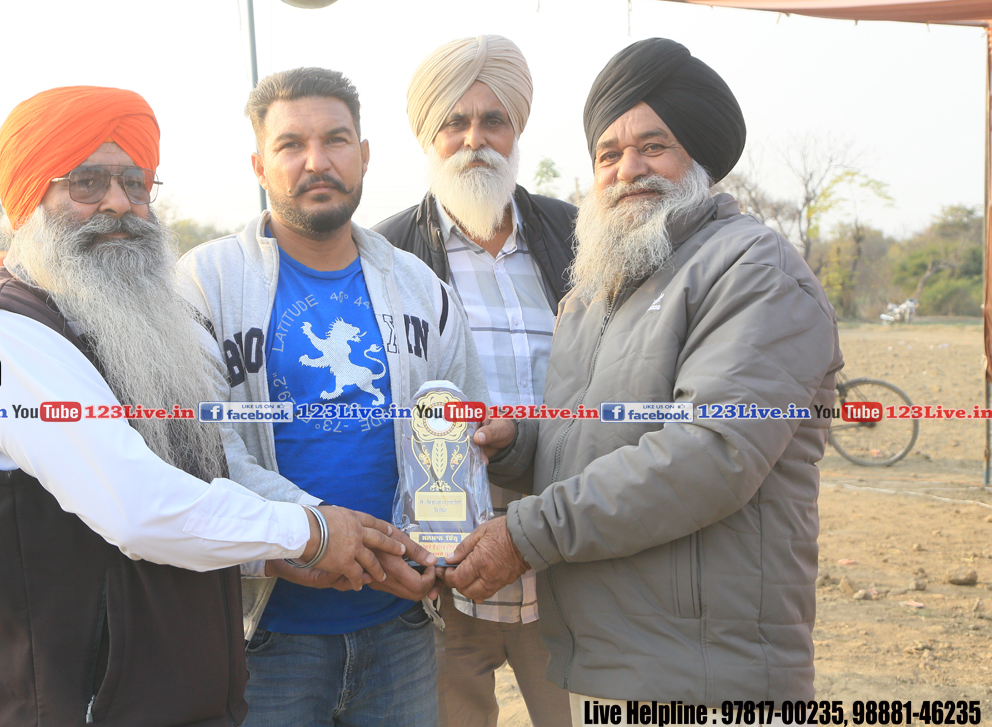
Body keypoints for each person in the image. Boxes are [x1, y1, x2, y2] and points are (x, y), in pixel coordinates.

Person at [0, 85, 420, 727]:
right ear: (27, 199)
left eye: (135, 183)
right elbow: (138, 508)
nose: (117, 203)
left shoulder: (141, 323)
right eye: (86, 183)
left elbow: (202, 478)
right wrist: (308, 532)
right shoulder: (0, 336)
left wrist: (272, 551)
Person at [443, 38, 844, 713]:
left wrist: (526, 532)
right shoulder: (595, 293)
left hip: (707, 671)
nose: (628, 170)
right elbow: (594, 436)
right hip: (612, 660)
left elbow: (712, 453)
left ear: (699, 157)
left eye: (653, 147)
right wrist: (517, 445)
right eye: (608, 155)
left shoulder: (753, 270)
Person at [179, 67, 488, 727]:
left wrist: (434, 550)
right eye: (291, 145)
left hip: (400, 628)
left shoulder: (421, 289)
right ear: (260, 165)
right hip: (267, 640)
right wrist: (313, 530)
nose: (316, 162)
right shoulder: (207, 282)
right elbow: (199, 447)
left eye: (336, 140)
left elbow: (458, 435)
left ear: (365, 154)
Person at [374, 35, 573, 727]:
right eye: (453, 123)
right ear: (427, 138)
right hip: (444, 571)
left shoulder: (576, 237)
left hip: (566, 555)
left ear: (517, 131)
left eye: (494, 121)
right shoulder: (386, 253)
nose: (474, 140)